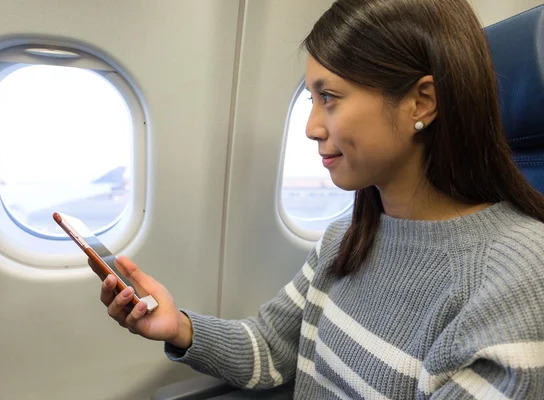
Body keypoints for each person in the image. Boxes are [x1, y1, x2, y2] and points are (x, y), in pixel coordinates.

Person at [99, 0, 544, 398]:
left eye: (328, 97)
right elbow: (272, 349)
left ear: (421, 103)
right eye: (311, 98)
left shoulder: (516, 278)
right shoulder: (345, 239)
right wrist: (179, 327)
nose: (311, 127)